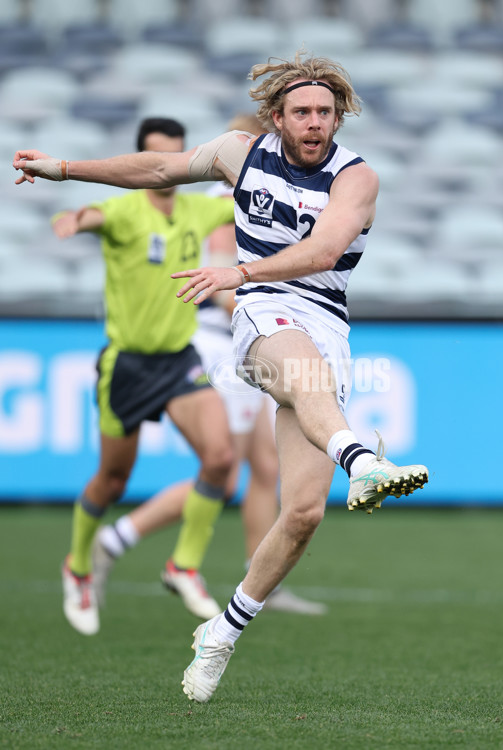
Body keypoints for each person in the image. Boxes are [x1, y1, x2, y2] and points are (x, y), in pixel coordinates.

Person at [14, 50, 429, 700]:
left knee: (302, 514)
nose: (315, 122)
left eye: (325, 111)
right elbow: (157, 168)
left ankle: (222, 631)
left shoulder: (357, 179)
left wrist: (235, 271)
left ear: (339, 116)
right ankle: (360, 456)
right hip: (263, 312)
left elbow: (322, 251)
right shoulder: (241, 152)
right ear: (276, 117)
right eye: (302, 112)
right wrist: (65, 169)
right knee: (295, 373)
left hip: (321, 320)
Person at [93, 115, 328, 617]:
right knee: (221, 469)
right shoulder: (233, 199)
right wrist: (266, 306)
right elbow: (222, 282)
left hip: (253, 340)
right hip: (228, 345)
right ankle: (117, 538)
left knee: (264, 466)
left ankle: (260, 575)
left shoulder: (255, 195)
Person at [47, 117, 237, 635]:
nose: (168, 170)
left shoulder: (199, 208)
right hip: (127, 365)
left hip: (179, 359)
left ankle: (183, 565)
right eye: (158, 158)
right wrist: (73, 219)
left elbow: (249, 199)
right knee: (113, 481)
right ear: (141, 161)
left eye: (177, 157)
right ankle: (79, 566)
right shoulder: (124, 209)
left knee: (221, 458)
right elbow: (88, 214)